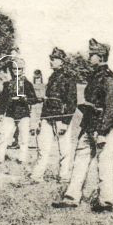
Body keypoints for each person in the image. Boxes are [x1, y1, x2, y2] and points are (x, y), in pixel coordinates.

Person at [53, 38, 113, 213]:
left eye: (92, 55)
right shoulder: (95, 76)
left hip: (104, 128)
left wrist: (103, 132)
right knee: (80, 162)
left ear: (101, 57)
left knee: (104, 164)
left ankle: (106, 202)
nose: (89, 57)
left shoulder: (109, 79)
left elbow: (111, 108)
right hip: (89, 125)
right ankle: (71, 198)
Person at [30, 47, 78, 183]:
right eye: (51, 59)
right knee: (43, 147)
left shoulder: (68, 78)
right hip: (48, 117)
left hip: (61, 118)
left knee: (64, 149)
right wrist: (41, 119)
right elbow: (47, 100)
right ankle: (37, 176)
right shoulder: (51, 78)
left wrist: (66, 122)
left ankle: (63, 176)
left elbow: (72, 102)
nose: (51, 61)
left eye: (54, 59)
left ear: (62, 61)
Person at [0, 61, 38, 165]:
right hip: (10, 113)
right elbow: (3, 100)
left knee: (24, 137)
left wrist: (25, 99)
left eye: (19, 69)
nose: (16, 71)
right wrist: (1, 113)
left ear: (23, 70)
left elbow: (34, 99)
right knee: (4, 135)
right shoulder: (7, 84)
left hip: (23, 113)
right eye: (14, 69)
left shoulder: (27, 84)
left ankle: (22, 158)